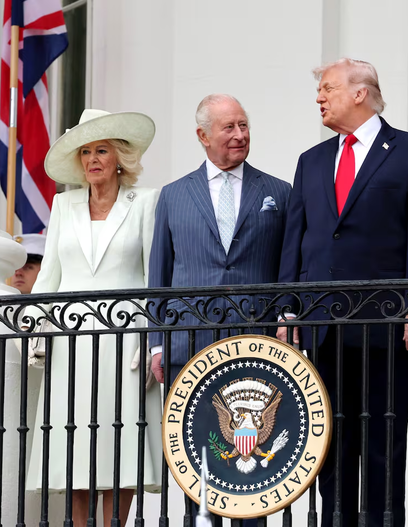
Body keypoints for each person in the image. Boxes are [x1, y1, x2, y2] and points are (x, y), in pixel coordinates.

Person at [277, 58, 408, 526]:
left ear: (360, 93)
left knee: (382, 448)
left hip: (385, 328)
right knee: (327, 446)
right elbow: (300, 241)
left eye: (327, 89)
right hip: (321, 330)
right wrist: (289, 310)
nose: (319, 98)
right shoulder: (311, 162)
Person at [147, 94, 290, 525]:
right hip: (188, 344)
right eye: (229, 127)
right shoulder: (173, 196)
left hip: (256, 345)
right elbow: (160, 274)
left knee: (255, 467)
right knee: (195, 459)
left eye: (244, 125)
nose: (240, 135)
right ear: (202, 135)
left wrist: (286, 319)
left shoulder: (279, 192)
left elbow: (289, 268)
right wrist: (157, 343)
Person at [24, 109, 162, 527]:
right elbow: (48, 277)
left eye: (101, 150)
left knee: (121, 445)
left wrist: (150, 338)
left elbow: (152, 277)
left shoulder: (146, 202)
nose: (92, 160)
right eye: (85, 152)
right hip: (71, 345)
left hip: (126, 344)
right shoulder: (63, 204)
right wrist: (33, 328)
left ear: (120, 156)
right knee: (74, 446)